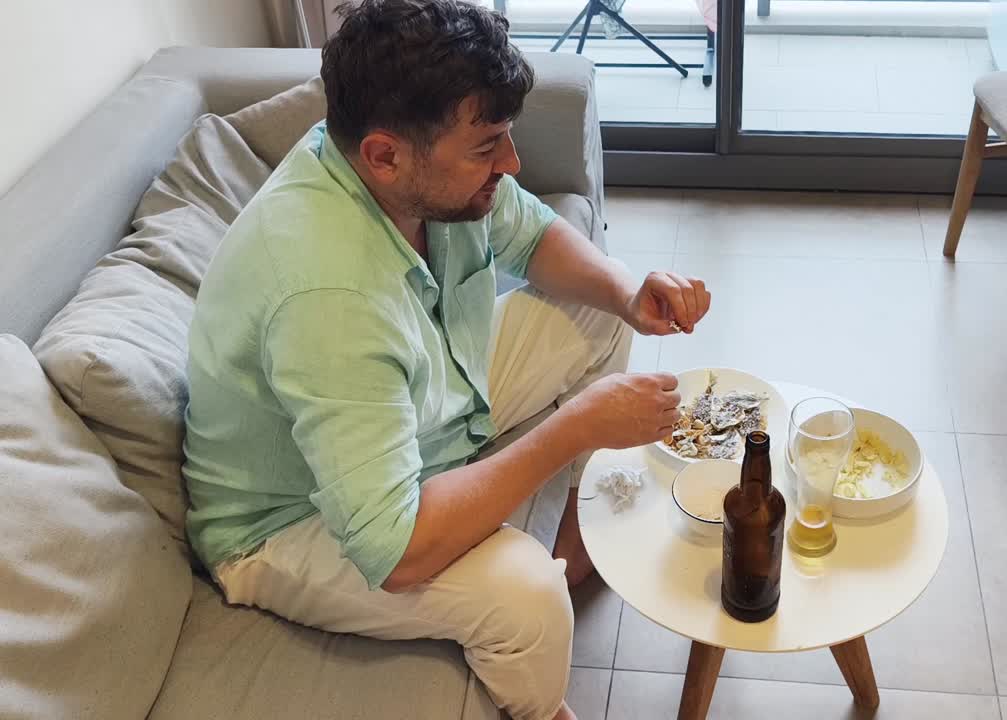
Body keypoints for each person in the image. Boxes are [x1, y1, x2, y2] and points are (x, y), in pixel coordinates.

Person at [180, 1, 711, 718]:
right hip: (289, 521)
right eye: (488, 147)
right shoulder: (326, 297)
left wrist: (626, 290)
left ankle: (577, 537)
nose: (514, 163)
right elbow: (395, 551)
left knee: (599, 305)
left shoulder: (397, 172)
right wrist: (577, 427)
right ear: (385, 154)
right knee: (528, 596)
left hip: (412, 401)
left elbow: (529, 234)